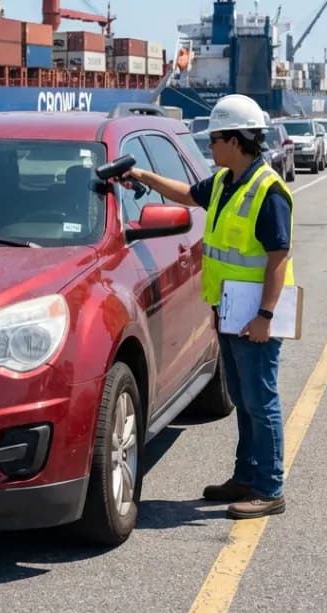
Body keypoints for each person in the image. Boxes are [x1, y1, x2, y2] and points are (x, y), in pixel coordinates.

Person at [118, 93, 294, 519]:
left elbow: (278, 257)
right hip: (231, 310)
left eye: (214, 140)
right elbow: (187, 194)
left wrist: (265, 316)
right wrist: (142, 176)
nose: (209, 147)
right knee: (244, 399)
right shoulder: (224, 182)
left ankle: (270, 488)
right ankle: (246, 476)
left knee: (261, 401)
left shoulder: (268, 190)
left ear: (234, 140)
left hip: (257, 315)